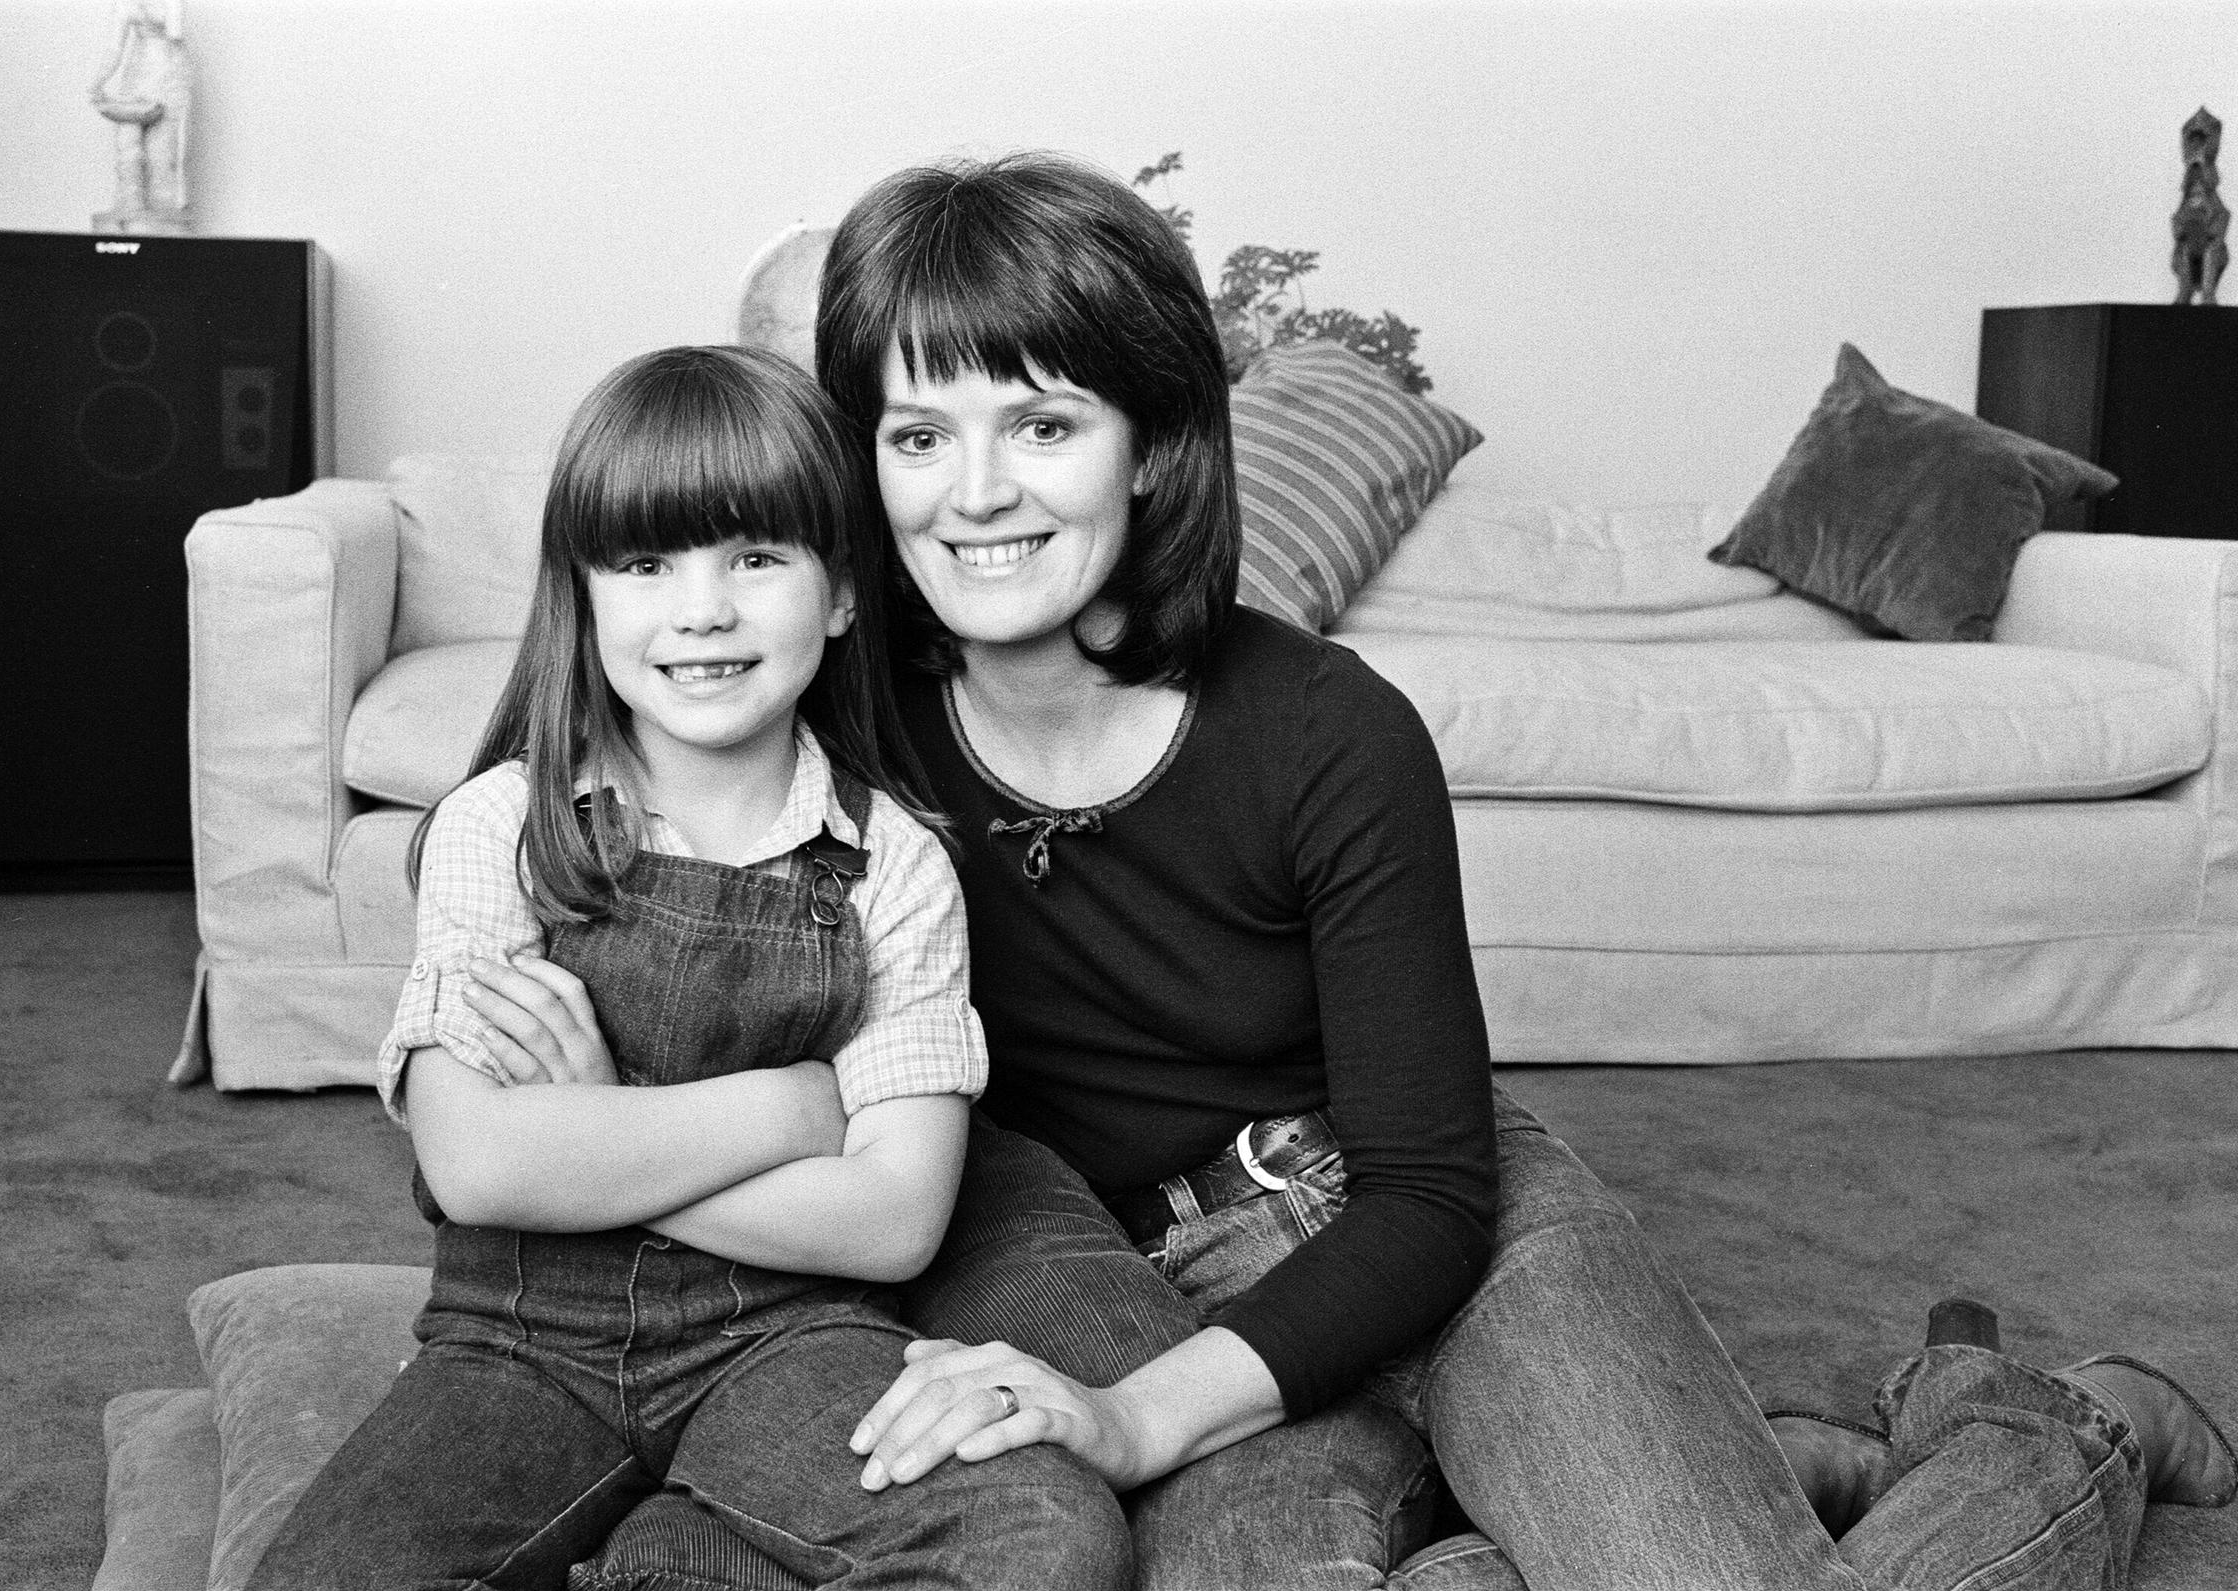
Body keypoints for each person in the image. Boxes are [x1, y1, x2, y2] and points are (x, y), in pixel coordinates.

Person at [478, 161, 2237, 1591]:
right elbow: (550, 771)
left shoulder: (1329, 731)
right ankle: (1746, 1467)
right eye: (919, 436)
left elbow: (1424, 1199)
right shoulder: (838, 712)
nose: (975, 495)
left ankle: (2039, 1433)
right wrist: (568, 1083)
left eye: (1044, 426)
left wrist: (1135, 1422)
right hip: (1103, 1272)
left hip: (1421, 1227)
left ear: (1155, 443)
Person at [246, 346, 1132, 1591]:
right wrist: (791, 1107)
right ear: (585, 596)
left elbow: (891, 1221)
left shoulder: (895, 865)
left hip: (784, 1332)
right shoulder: (502, 825)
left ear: (837, 595)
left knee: (1049, 1538)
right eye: (648, 563)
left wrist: (593, 1128)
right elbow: (477, 1161)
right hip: (519, 1339)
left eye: (756, 558)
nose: (703, 610)